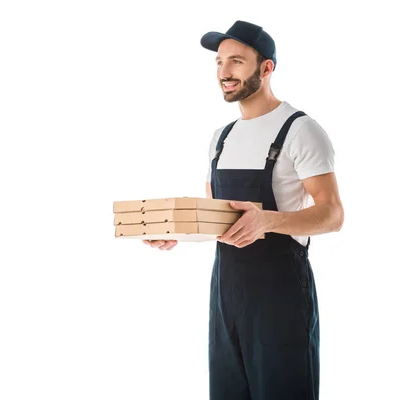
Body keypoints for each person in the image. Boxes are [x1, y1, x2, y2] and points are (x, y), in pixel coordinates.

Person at [145, 20, 344, 400]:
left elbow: (333, 214)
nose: (224, 72)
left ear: (266, 68)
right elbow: (217, 216)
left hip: (280, 299)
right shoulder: (221, 138)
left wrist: (266, 220)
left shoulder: (300, 130)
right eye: (219, 63)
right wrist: (178, 231)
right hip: (226, 297)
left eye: (236, 61)